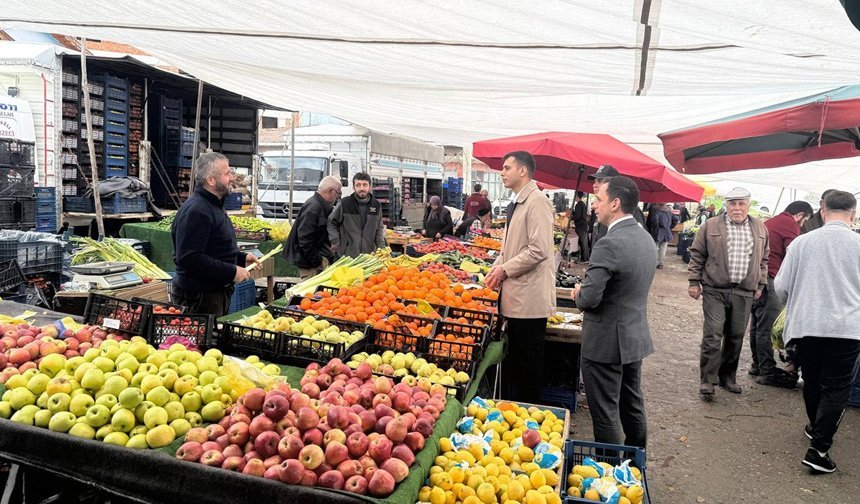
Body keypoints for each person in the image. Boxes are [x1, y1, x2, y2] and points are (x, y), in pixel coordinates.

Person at [774, 191, 860, 474]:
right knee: (837, 388)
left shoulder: (802, 242)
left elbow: (781, 286)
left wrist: (798, 305)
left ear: (823, 212)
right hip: (847, 329)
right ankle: (819, 449)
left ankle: (816, 427)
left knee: (811, 380)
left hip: (806, 325)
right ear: (853, 214)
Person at [574, 176, 657, 448]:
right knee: (632, 403)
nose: (594, 205)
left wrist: (578, 293)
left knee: (605, 411)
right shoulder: (645, 238)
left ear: (615, 203)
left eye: (599, 199)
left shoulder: (609, 243)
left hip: (605, 342)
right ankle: (635, 461)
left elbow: (590, 299)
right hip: (633, 337)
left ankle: (609, 467)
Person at [485, 151, 555, 403]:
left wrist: (505, 269)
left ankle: (529, 414)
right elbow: (511, 249)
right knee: (517, 365)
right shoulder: (518, 201)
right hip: (516, 299)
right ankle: (515, 412)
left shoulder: (537, 202)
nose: (501, 173)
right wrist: (496, 267)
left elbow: (539, 250)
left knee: (528, 368)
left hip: (529, 303)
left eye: (507, 168)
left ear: (523, 171)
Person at [688, 187, 769, 397]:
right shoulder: (711, 225)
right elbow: (697, 254)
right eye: (733, 203)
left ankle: (727, 377)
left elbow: (763, 259)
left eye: (741, 203)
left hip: (744, 291)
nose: (737, 208)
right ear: (726, 205)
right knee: (713, 334)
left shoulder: (760, 227)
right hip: (715, 288)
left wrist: (760, 284)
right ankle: (707, 380)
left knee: (736, 336)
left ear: (748, 205)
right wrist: (694, 281)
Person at [171, 152, 257, 316]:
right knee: (203, 334)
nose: (232, 178)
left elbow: (213, 248)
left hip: (214, 294)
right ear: (210, 180)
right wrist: (232, 271)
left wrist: (240, 258)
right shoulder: (197, 211)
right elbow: (190, 257)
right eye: (227, 173)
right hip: (199, 298)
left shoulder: (214, 205)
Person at [748, 200, 813, 387]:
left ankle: (757, 365)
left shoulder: (771, 221)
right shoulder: (790, 225)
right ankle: (767, 371)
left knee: (757, 325)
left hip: (757, 278)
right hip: (771, 278)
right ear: (800, 215)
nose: (802, 224)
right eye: (804, 220)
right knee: (767, 328)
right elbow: (793, 255)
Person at [282, 175, 341, 279]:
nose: (337, 197)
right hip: (310, 264)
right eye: (338, 193)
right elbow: (305, 240)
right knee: (310, 289)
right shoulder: (313, 208)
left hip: (314, 260)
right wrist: (318, 262)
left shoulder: (319, 205)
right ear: (330, 191)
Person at [328, 172, 386, 257]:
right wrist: (335, 240)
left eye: (365, 185)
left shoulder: (376, 205)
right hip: (347, 256)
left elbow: (379, 229)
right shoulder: (344, 203)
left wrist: (382, 248)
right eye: (358, 185)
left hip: (368, 256)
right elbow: (331, 222)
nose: (361, 188)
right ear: (353, 188)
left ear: (370, 187)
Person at [589, 165, 645, 247]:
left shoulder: (629, 209)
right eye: (595, 181)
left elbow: (637, 244)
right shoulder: (600, 206)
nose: (594, 185)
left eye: (600, 181)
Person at [651, 203, 676, 269]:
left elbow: (654, 222)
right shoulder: (669, 211)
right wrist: (669, 227)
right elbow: (675, 220)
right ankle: (660, 264)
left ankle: (654, 263)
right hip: (667, 232)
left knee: (655, 248)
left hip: (658, 232)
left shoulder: (657, 211)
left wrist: (655, 229)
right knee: (663, 249)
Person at [572, 191, 590, 262]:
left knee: (583, 243)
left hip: (581, 227)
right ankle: (585, 258)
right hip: (583, 226)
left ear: (577, 196)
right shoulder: (582, 204)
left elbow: (577, 216)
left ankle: (585, 259)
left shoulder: (579, 204)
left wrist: (571, 217)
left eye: (575, 195)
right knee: (584, 243)